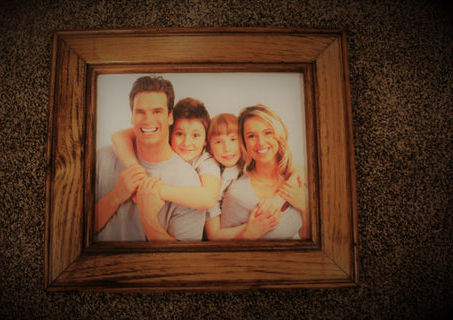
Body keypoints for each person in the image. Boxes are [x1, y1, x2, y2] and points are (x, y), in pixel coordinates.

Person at [94, 75, 206, 242]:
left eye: (157, 111)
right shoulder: (102, 158)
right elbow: (72, 231)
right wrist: (116, 196)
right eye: (140, 112)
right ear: (131, 116)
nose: (148, 120)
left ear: (170, 117)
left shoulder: (189, 182)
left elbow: (183, 262)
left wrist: (148, 219)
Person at [110, 97, 221, 211]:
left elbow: (208, 198)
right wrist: (136, 173)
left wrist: (153, 190)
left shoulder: (206, 161)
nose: (186, 143)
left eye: (195, 135)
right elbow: (119, 136)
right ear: (170, 132)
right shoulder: (164, 143)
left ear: (205, 140)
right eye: (179, 134)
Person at [219, 104, 309, 240]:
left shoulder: (297, 178)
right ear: (244, 142)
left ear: (278, 134)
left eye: (267, 132)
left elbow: (306, 237)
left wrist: (305, 208)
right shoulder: (237, 194)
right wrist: (249, 234)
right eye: (251, 136)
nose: (260, 142)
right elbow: (223, 250)